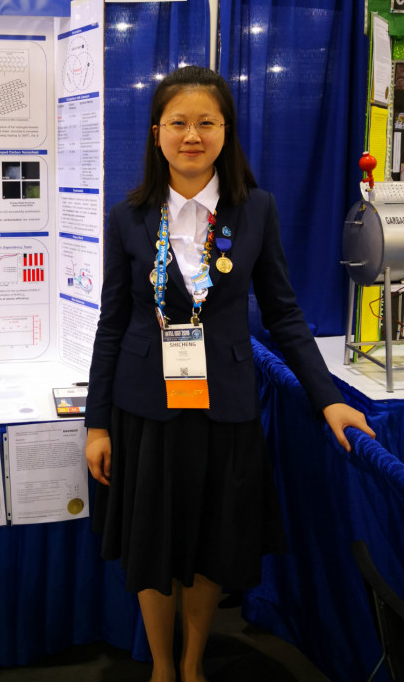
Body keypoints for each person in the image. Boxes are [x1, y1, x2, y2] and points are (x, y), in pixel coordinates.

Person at [84, 65, 375, 682]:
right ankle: (162, 667)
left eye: (206, 123)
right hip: (146, 409)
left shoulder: (255, 210)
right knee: (152, 544)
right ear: (157, 133)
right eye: (178, 123)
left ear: (225, 131)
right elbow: (112, 324)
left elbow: (284, 314)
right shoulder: (128, 217)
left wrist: (326, 399)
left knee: (211, 544)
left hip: (226, 408)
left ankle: (193, 666)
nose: (192, 135)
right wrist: (97, 424)